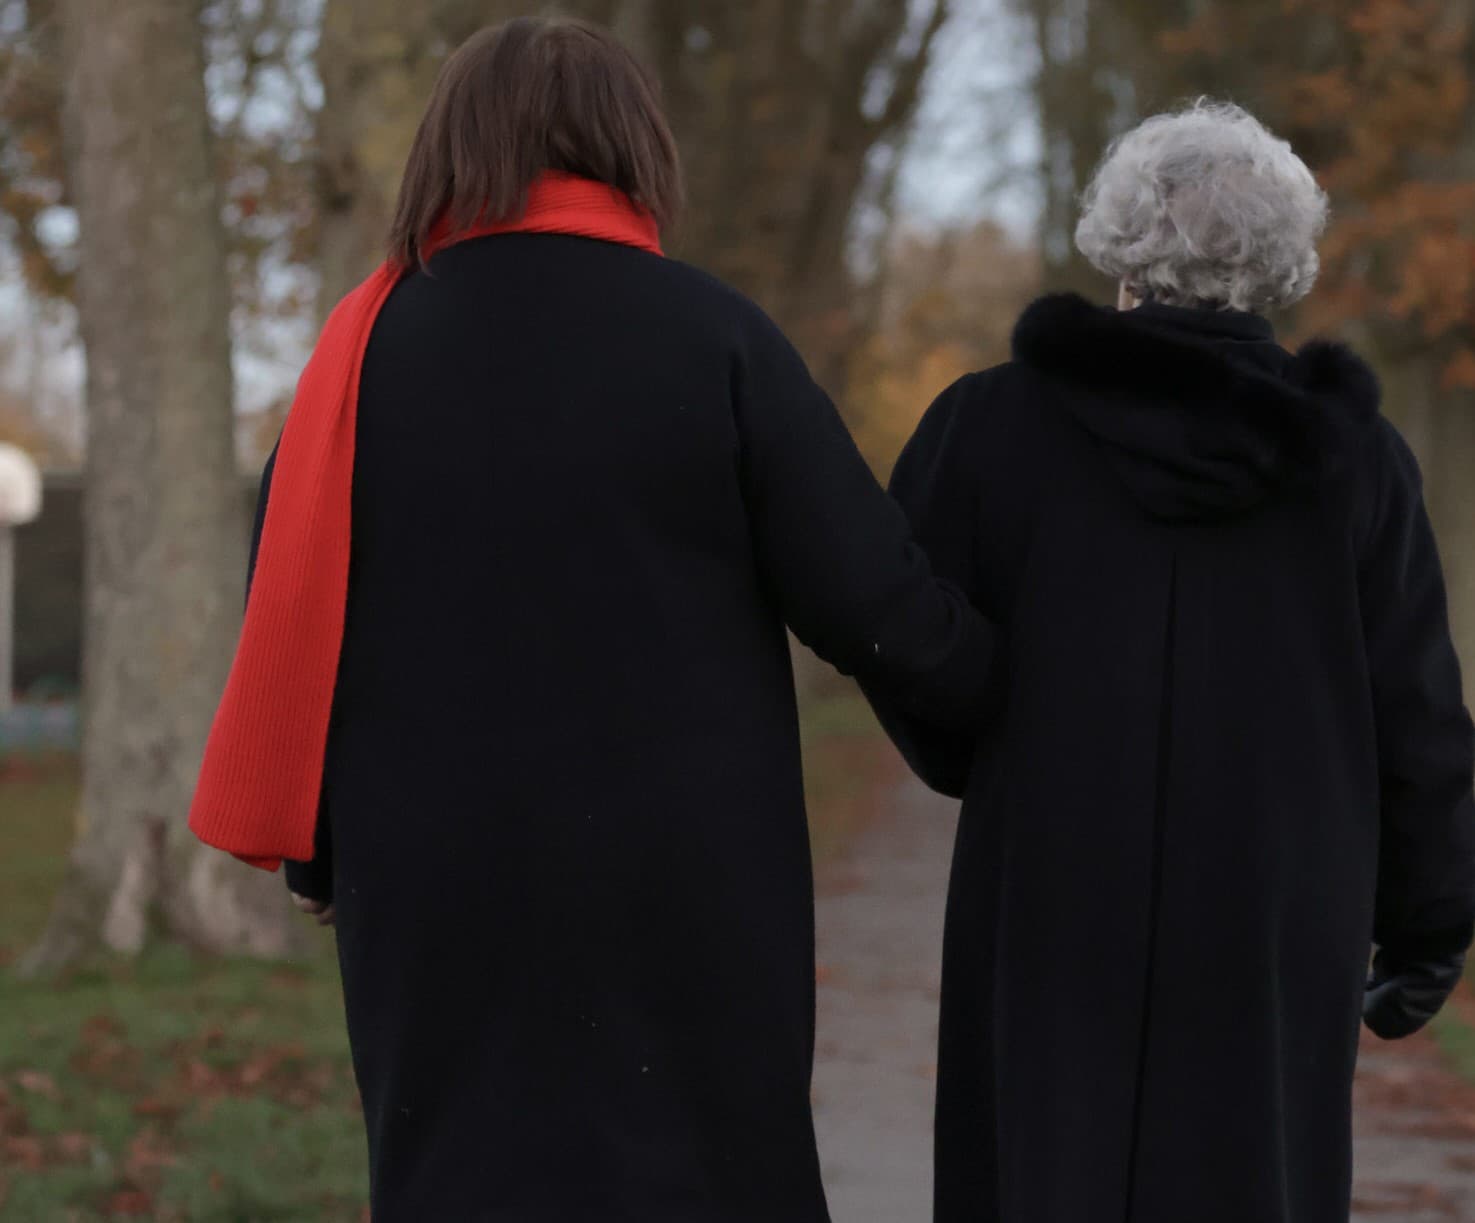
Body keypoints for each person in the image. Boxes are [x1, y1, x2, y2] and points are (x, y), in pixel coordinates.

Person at [188, 16, 995, 1222]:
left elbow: (302, 617)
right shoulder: (714, 337)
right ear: (633, 147)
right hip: (683, 878)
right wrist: (1008, 698)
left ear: (447, 150)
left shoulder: (355, 360)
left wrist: (321, 852)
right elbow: (872, 599)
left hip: (437, 879)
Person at [868, 100, 1475, 1223]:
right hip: (1274, 906)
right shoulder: (1355, 460)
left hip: (1048, 886)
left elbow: (906, 635)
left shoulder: (988, 426)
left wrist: (984, 748)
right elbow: (1416, 712)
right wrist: (1429, 920)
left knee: (1038, 1170)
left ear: (1118, 242)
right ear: (1277, 257)